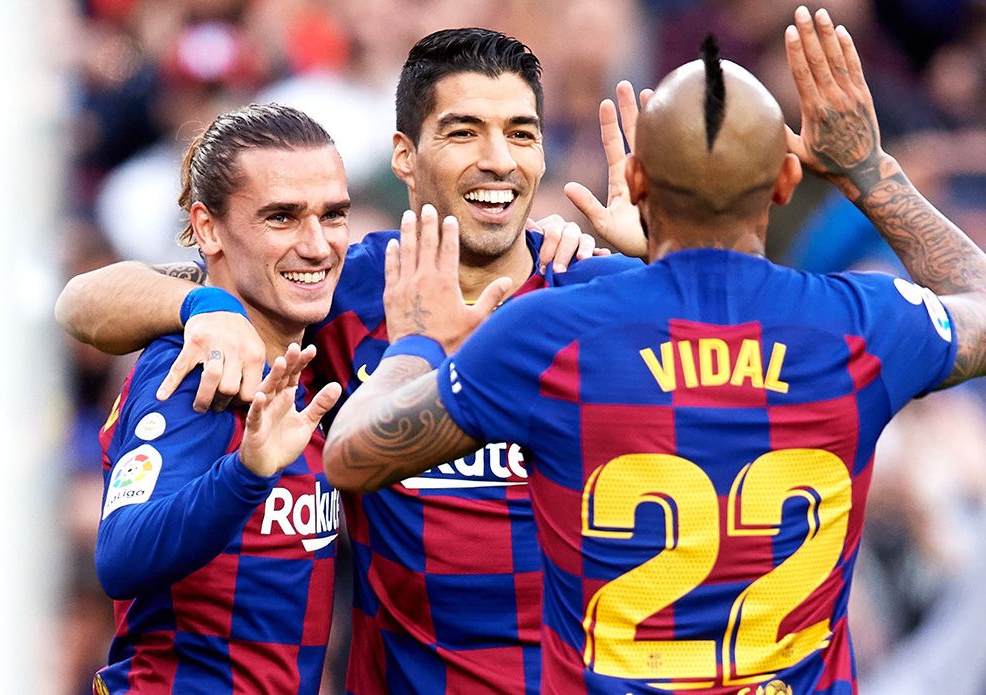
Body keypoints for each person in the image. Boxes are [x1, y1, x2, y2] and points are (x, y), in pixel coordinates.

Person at [322, 7, 986, 694]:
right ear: (787, 181)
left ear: (634, 181)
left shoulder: (550, 332)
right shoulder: (861, 326)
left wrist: (414, 338)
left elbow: (352, 455)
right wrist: (869, 171)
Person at [56, 28, 641, 694]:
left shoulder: (600, 297)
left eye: (521, 132)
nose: (497, 160)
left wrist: (670, 256)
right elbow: (84, 300)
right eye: (463, 132)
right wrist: (199, 308)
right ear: (405, 156)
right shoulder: (338, 291)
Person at [88, 103, 346, 693]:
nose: (317, 244)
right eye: (282, 217)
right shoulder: (192, 373)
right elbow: (120, 555)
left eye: (333, 215)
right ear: (208, 228)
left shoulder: (304, 345)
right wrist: (248, 473)